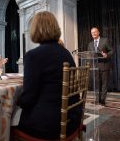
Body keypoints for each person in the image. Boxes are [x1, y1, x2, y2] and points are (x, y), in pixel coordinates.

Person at [17, 11, 82, 140]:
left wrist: (15, 102)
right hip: (72, 119)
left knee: (8, 119)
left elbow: (28, 99)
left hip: (48, 125)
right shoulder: (66, 53)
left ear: (35, 30)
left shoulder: (33, 56)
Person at [88, 27, 114, 105]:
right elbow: (89, 55)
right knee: (97, 84)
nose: (94, 34)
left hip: (104, 65)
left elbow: (112, 50)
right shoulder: (90, 44)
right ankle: (97, 99)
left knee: (104, 84)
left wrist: (107, 55)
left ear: (98, 32)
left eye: (95, 32)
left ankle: (102, 100)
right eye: (92, 33)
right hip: (95, 67)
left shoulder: (105, 40)